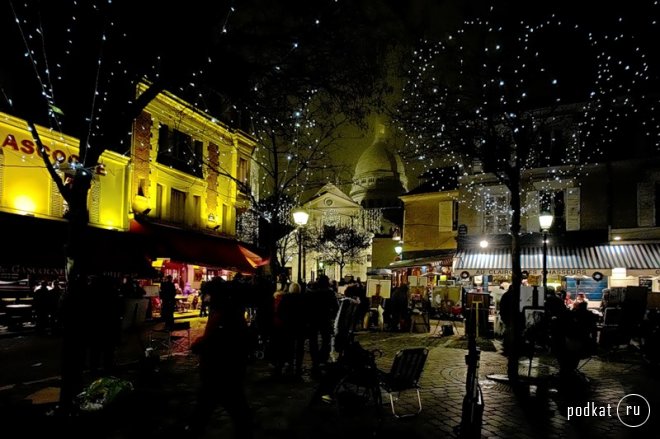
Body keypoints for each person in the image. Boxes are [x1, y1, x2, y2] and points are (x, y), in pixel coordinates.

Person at [186, 277, 253, 438]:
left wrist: (199, 345)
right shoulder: (229, 311)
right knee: (227, 406)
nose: (205, 298)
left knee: (213, 405)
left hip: (219, 368)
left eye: (207, 294)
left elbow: (215, 339)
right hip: (227, 368)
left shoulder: (223, 314)